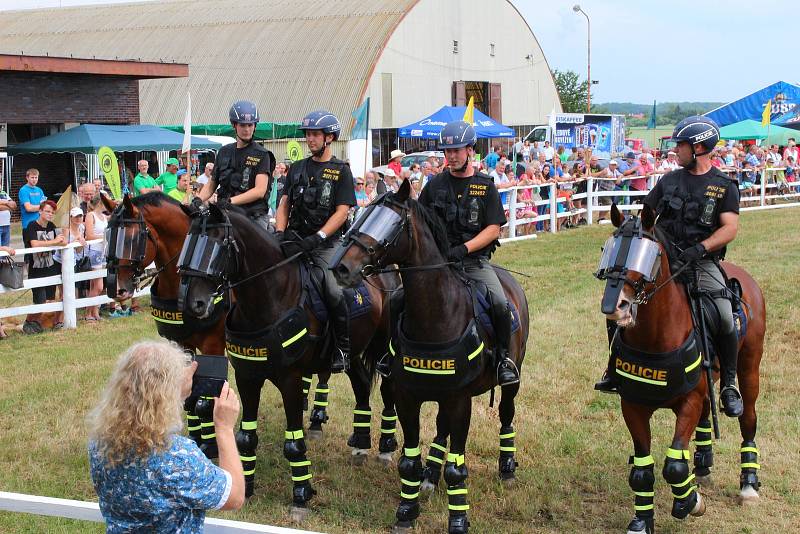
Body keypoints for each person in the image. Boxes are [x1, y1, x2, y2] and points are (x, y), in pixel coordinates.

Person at [595, 116, 743, 418]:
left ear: (699, 147)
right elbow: (647, 215)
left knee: (726, 316)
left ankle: (728, 382)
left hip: (701, 262)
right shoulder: (669, 181)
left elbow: (730, 228)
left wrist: (701, 248)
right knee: (618, 303)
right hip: (662, 260)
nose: (676, 150)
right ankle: (614, 368)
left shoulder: (723, 186)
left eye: (681, 145)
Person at [88, 341, 245, 530]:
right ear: (166, 393)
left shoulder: (100, 444)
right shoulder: (178, 458)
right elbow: (234, 497)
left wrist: (178, 387)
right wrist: (224, 428)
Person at [418, 120, 520, 386]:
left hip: (473, 262)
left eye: (456, 150)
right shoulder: (434, 185)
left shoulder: (485, 186)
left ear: (470, 151)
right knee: (399, 299)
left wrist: (463, 249)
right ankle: (391, 355)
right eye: (447, 151)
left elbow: (493, 229)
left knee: (500, 303)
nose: (451, 156)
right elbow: (419, 220)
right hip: (437, 264)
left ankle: (503, 359)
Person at [276, 110, 355, 373]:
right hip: (294, 240)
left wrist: (318, 237)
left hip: (326, 245)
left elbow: (342, 211)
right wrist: (279, 232)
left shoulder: (341, 171)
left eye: (315, 134)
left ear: (329, 137)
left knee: (333, 290)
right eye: (307, 134)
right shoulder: (296, 168)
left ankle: (342, 347)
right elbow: (284, 203)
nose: (309, 139)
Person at [196, 101, 273, 231]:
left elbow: (260, 191)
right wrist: (197, 200)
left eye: (250, 125)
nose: (247, 129)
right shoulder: (224, 152)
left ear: (255, 126)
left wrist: (230, 201)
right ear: (234, 125)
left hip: (253, 217)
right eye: (243, 125)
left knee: (254, 249)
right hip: (226, 214)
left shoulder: (262, 154)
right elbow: (211, 184)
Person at [22, 200, 65, 333]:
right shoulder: (32, 226)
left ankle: (38, 322)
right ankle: (28, 323)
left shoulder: (52, 226)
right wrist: (54, 241)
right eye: (47, 211)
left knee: (49, 299)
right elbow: (34, 244)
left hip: (50, 266)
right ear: (40, 211)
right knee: (39, 300)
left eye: (52, 212)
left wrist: (62, 240)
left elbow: (61, 241)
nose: (50, 214)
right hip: (36, 268)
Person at [84, 194, 109, 322]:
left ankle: (95, 312)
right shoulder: (90, 215)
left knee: (97, 285)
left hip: (103, 251)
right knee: (98, 286)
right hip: (94, 251)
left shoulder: (104, 217)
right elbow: (89, 235)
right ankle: (89, 312)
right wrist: (103, 237)